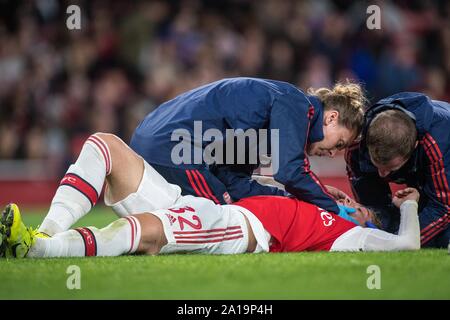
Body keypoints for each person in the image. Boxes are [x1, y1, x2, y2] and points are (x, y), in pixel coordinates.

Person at [0, 134, 420, 259]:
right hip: (210, 207)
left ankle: (39, 252)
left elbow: (407, 244)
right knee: (104, 146)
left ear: (365, 222)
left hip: (235, 230)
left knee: (153, 231)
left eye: (360, 208)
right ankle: (41, 235)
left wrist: (410, 205)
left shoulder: (347, 235)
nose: (350, 203)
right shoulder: (306, 202)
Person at [130, 77, 366, 218]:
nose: (334, 152)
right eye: (340, 143)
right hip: (171, 149)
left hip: (149, 141)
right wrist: (334, 209)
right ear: (331, 118)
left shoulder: (268, 108)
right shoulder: (296, 104)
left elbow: (235, 183)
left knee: (231, 204)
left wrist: (309, 194)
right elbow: (291, 172)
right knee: (227, 218)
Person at [346, 92, 450, 248]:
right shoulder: (357, 146)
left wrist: (399, 243)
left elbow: (442, 207)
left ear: (414, 146)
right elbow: (374, 206)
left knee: (441, 237)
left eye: (391, 169)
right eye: (376, 165)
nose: (382, 174)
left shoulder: (436, 143)